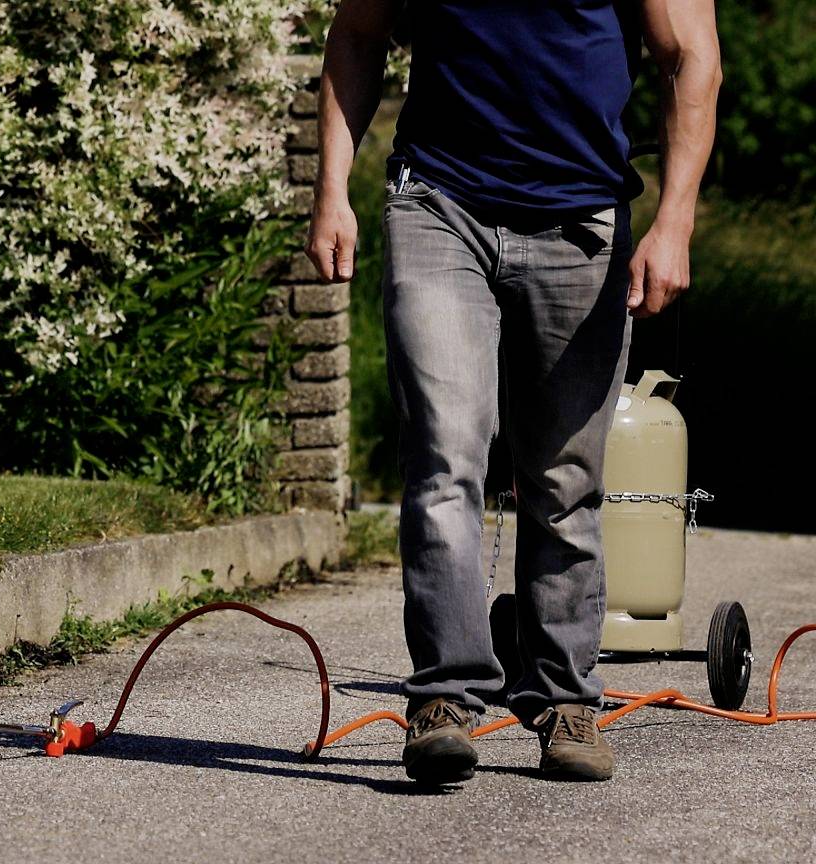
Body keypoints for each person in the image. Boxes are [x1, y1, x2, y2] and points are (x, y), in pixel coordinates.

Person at [307, 0, 721, 784]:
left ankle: (565, 701)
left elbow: (691, 53)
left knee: (564, 480)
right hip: (440, 206)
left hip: (582, 225)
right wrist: (332, 189)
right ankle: (445, 697)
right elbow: (357, 33)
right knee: (443, 455)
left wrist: (676, 221)